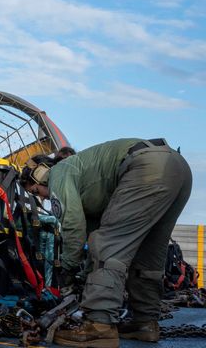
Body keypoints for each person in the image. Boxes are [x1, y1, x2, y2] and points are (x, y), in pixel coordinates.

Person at [21, 138, 191, 348]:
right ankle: (145, 324)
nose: (45, 199)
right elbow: (93, 236)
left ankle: (99, 327)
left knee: (108, 244)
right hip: (177, 168)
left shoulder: (59, 173)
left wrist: (65, 269)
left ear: (41, 175)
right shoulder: (88, 186)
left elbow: (74, 229)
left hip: (145, 168)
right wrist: (84, 275)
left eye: (37, 192)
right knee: (148, 253)